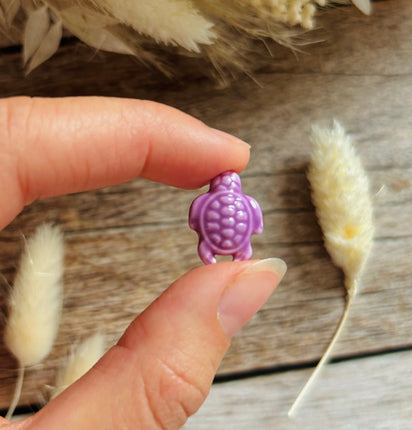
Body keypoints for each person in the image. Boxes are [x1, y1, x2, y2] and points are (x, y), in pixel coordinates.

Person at [0, 96, 286, 429]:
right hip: (233, 240)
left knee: (221, 254)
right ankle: (228, 254)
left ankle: (218, 254)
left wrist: (215, 228)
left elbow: (202, 218)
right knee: (236, 255)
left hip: (214, 240)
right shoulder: (242, 203)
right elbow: (249, 221)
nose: (227, 182)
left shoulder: (216, 203)